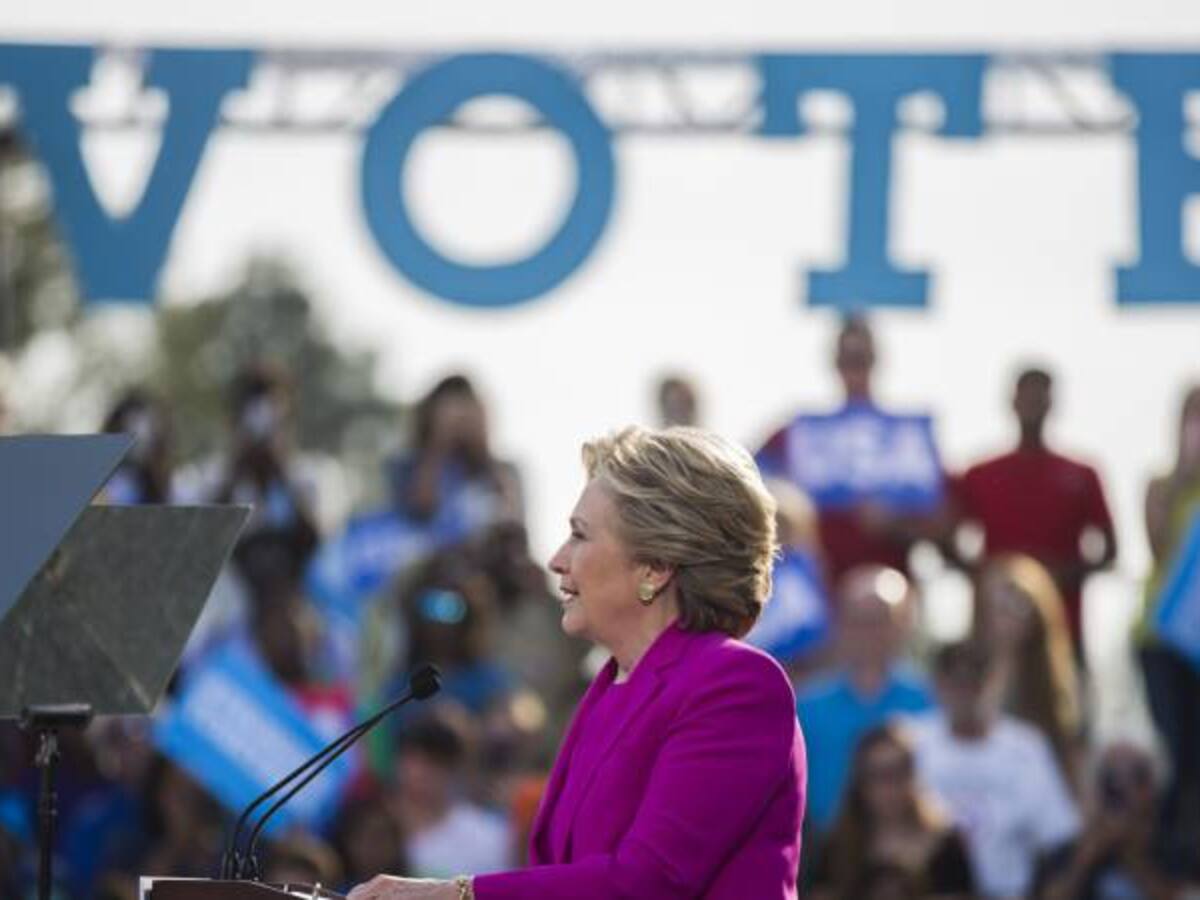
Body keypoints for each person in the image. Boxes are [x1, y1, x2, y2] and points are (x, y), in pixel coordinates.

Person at [349, 426, 806, 899]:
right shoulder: (609, 687)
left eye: (579, 536)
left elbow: (647, 885)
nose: (556, 560)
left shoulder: (738, 685)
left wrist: (452, 895)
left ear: (655, 567)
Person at [757, 317, 949, 584]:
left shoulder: (908, 439)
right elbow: (752, 487)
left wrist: (897, 525)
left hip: (890, 588)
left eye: (861, 357)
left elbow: (944, 521)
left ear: (876, 360)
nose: (854, 367)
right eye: (847, 358)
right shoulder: (795, 436)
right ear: (834, 362)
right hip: (818, 591)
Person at [950, 367, 1117, 660]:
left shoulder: (1081, 475)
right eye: (1026, 397)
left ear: (1051, 404)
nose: (1032, 405)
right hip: (993, 635)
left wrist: (1056, 575)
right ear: (1012, 402)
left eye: (1039, 397)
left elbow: (1109, 550)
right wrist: (989, 576)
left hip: (1063, 632)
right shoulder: (980, 475)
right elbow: (948, 538)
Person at [908, 642, 1079, 899]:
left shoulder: (1025, 746)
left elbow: (1057, 834)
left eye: (976, 680)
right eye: (956, 681)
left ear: (994, 683)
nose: (966, 692)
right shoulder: (911, 741)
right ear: (937, 684)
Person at [796, 565, 932, 833]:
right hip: (827, 855)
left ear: (903, 623)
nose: (869, 632)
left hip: (911, 851)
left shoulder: (930, 702)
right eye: (858, 620)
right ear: (840, 624)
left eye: (880, 619)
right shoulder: (806, 707)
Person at [808, 723, 975, 899]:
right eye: (877, 775)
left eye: (898, 772)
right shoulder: (837, 847)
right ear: (860, 782)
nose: (889, 787)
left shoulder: (946, 843)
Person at [1137, 383, 1200, 842]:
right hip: (1165, 640)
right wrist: (1185, 473)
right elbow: (1158, 546)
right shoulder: (1162, 485)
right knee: (1179, 750)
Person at [1033, 741, 1197, 900]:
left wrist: (1132, 858)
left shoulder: (1176, 846)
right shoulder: (1065, 854)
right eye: (1110, 778)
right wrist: (1085, 859)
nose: (1124, 787)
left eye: (1138, 776)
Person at [973, 554, 1084, 789]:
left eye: (1017, 605)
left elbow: (1069, 759)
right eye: (997, 607)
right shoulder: (964, 674)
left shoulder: (1061, 682)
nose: (1007, 617)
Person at [388, 374, 523, 534]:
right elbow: (416, 514)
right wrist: (439, 443)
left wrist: (481, 448)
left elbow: (514, 519)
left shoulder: (503, 470)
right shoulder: (406, 466)